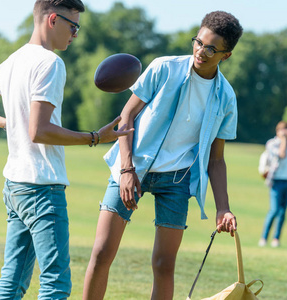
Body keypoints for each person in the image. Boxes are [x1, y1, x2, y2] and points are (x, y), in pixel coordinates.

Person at [0, 1, 133, 298]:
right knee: (55, 284)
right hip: (42, 188)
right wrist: (94, 137)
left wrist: (9, 123)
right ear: (53, 20)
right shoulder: (50, 63)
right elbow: (40, 131)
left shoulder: (13, 60)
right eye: (73, 26)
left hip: (15, 187)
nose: (75, 34)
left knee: (11, 282)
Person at [83, 11, 243, 300]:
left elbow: (216, 159)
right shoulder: (163, 68)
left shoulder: (226, 97)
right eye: (198, 42)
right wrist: (127, 169)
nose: (200, 51)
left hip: (177, 181)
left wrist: (223, 207)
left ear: (226, 55)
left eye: (210, 49)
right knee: (102, 251)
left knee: (164, 265)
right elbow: (126, 116)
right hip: (131, 168)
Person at [258, 121, 287, 248]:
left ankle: (276, 238)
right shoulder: (272, 144)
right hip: (276, 180)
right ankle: (264, 237)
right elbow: (282, 155)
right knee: (274, 210)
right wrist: (283, 139)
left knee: (283, 212)